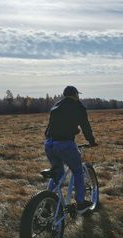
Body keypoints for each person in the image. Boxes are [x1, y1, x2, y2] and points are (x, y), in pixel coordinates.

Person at [44, 85, 97, 214]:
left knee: (58, 174)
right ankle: (80, 203)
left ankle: (46, 203)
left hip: (49, 144)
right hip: (65, 144)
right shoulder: (78, 107)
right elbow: (85, 126)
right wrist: (91, 141)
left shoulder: (56, 107)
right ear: (75, 95)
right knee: (78, 171)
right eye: (78, 95)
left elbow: (50, 128)